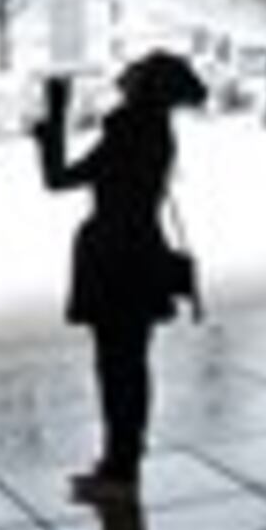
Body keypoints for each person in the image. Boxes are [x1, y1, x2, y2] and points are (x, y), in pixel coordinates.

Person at [35, 50, 209, 497]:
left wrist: (54, 119)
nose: (126, 73)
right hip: (141, 254)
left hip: (115, 260)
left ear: (147, 85)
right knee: (130, 363)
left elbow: (58, 179)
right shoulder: (153, 130)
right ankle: (124, 457)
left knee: (117, 368)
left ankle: (120, 466)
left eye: (138, 70)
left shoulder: (130, 130)